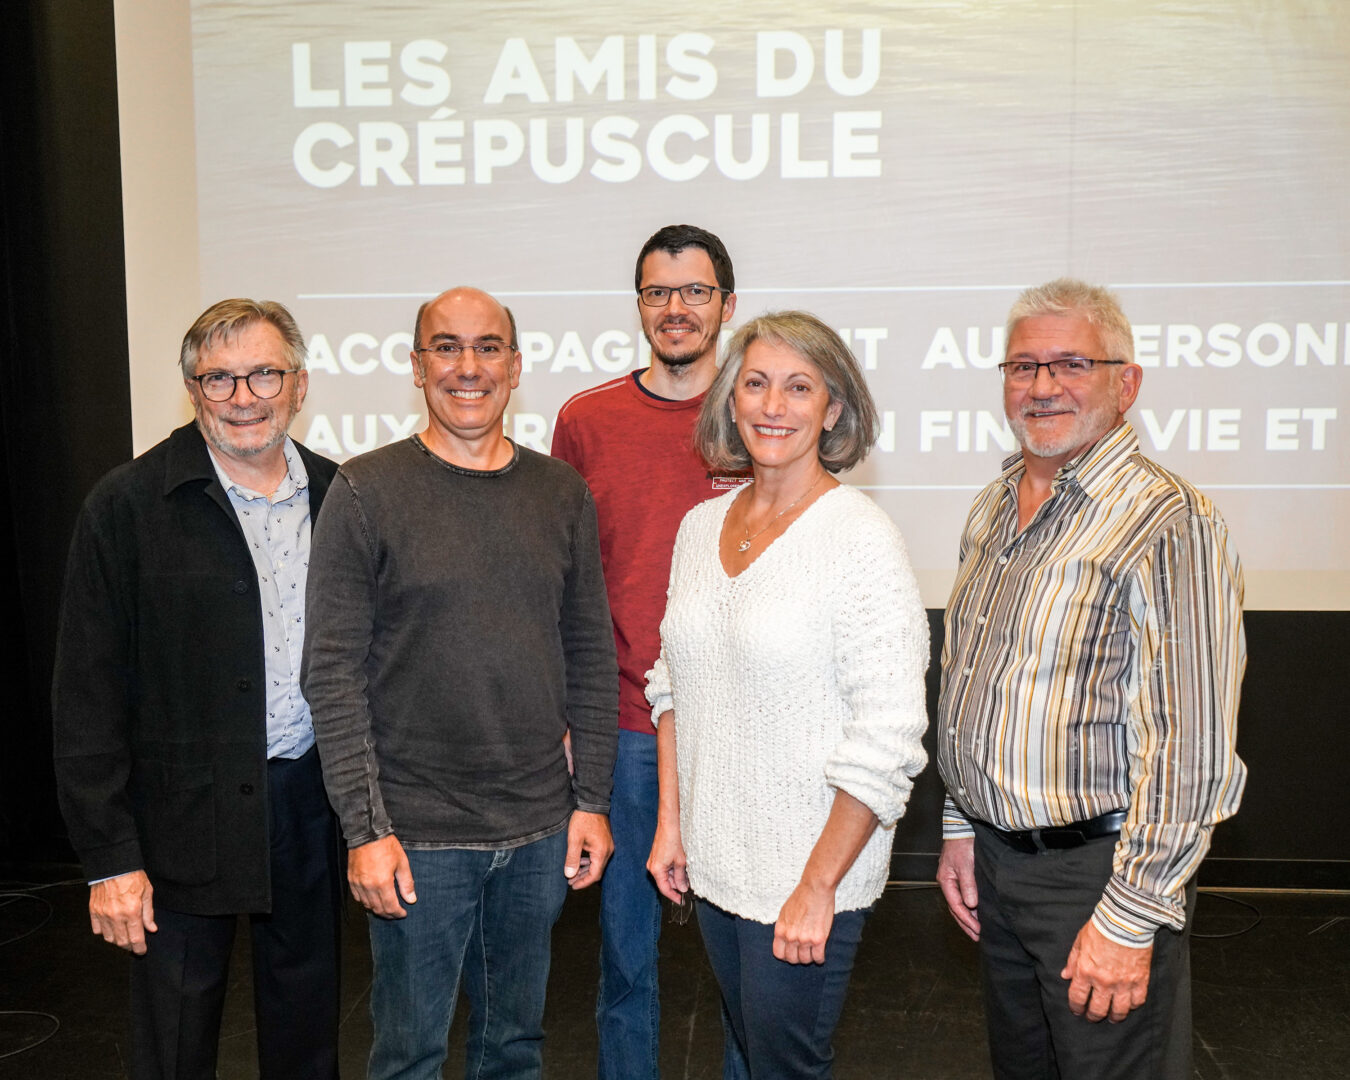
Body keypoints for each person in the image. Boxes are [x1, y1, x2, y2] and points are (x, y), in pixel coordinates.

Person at [302, 286, 619, 1080]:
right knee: (408, 1055)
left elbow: (589, 654)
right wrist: (366, 831)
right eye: (446, 347)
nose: (467, 367)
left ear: (515, 366)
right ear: (416, 367)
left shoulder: (561, 493)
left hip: (541, 829)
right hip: (417, 836)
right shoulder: (365, 491)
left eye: (487, 348)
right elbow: (331, 675)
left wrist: (593, 804)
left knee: (514, 1050)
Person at [934, 278, 1247, 1080]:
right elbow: (978, 680)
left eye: (1071, 363)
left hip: (1098, 881)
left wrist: (1132, 918)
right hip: (1000, 873)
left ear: (1126, 381)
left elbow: (1193, 748)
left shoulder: (1168, 519)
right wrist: (963, 827)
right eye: (1023, 366)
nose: (1042, 387)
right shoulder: (994, 505)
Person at [52, 299, 343, 1079]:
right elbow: (86, 696)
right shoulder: (128, 505)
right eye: (219, 379)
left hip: (309, 810)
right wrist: (111, 859)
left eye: (264, 374)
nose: (244, 396)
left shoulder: (341, 495)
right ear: (193, 390)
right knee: (175, 1046)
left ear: (300, 383)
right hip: (178, 820)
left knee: (308, 1038)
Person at [645, 311, 930, 1078]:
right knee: (749, 1052)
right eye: (757, 384)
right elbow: (673, 688)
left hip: (809, 873)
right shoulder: (700, 529)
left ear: (832, 409)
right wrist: (674, 828)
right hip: (715, 862)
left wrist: (817, 887)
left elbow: (890, 737)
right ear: (730, 400)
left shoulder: (860, 538)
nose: (774, 405)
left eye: (799, 387)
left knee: (783, 1067)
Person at [551, 223, 742, 1080]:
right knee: (627, 962)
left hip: (745, 733)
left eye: (694, 292)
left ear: (727, 306)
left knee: (751, 966)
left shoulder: (764, 419)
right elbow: (560, 581)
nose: (676, 309)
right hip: (626, 728)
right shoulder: (586, 422)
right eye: (659, 293)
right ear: (638, 307)